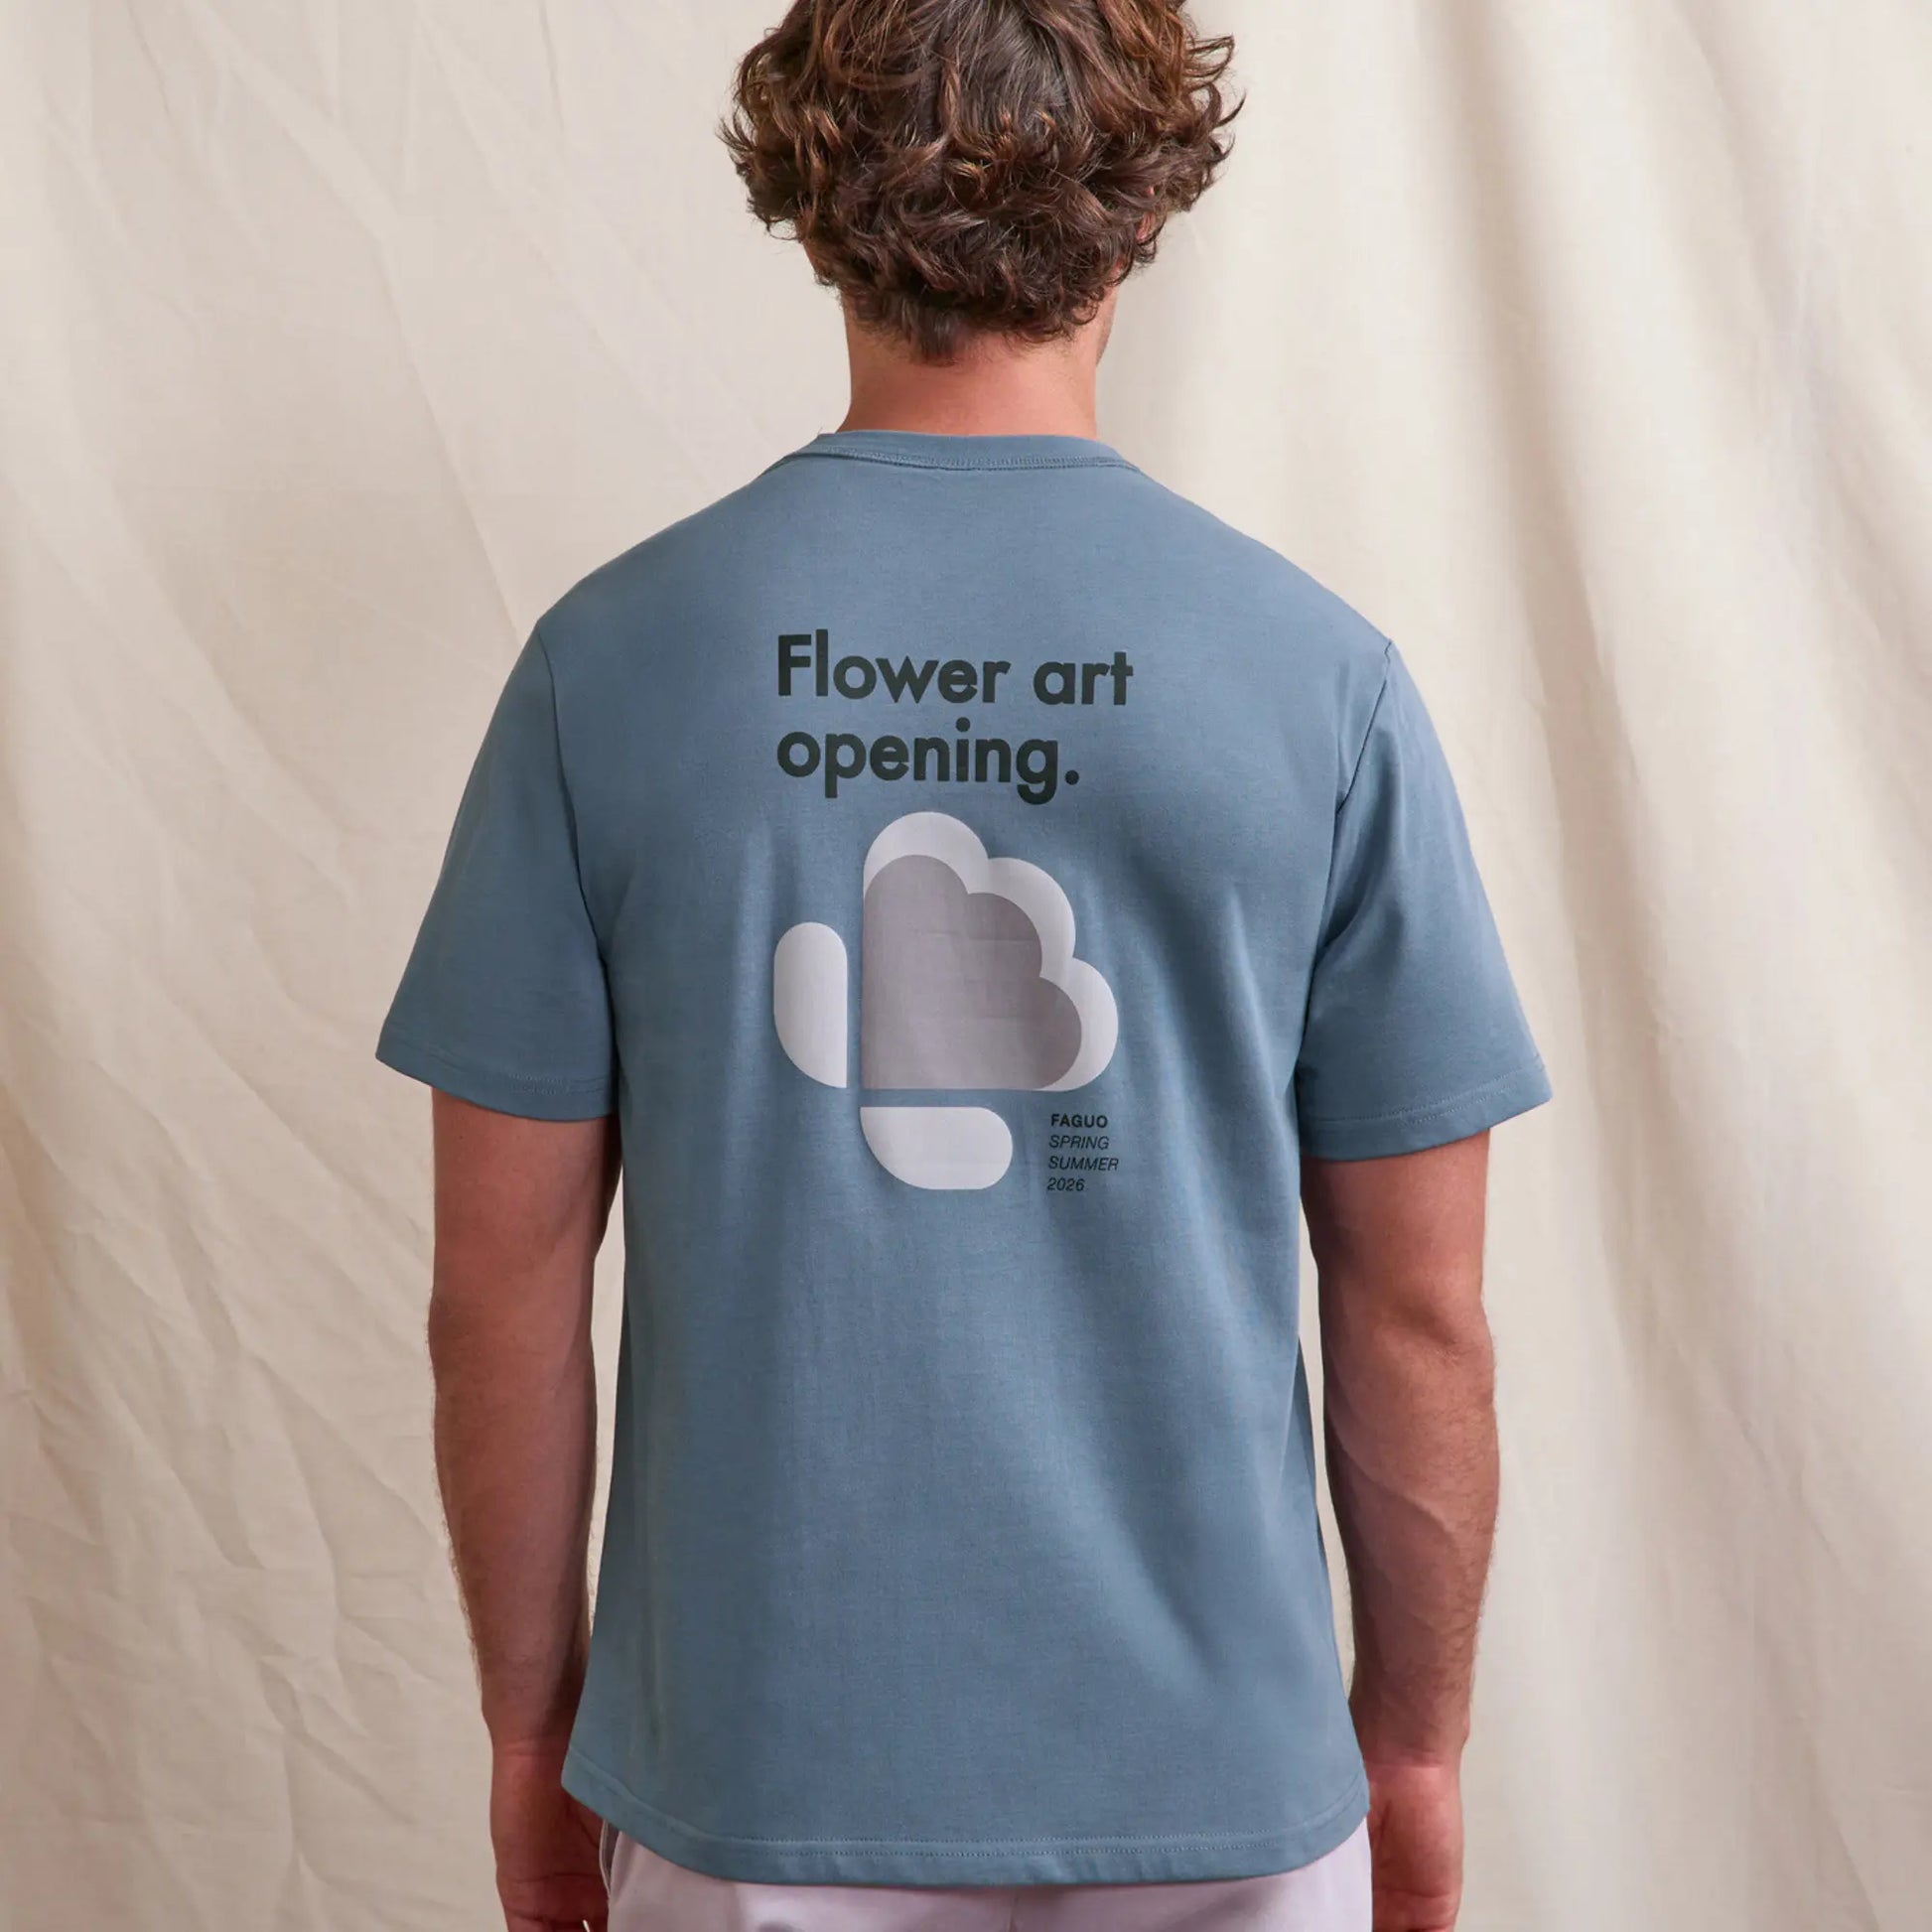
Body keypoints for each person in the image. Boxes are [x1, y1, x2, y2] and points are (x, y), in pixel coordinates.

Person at [375, 3, 1551, 1927]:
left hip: (754, 1769)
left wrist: (528, 1729)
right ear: (1144, 214)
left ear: (807, 204)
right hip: (1219, 1787)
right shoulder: (1316, 680)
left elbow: (498, 1282)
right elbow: (1416, 1307)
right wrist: (1413, 1747)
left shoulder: (611, 663)